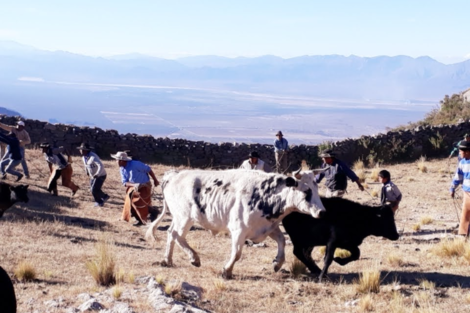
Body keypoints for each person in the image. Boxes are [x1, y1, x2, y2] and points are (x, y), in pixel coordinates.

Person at [111, 151, 159, 226]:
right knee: (129, 203)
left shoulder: (136, 164)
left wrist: (155, 180)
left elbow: (148, 169)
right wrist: (134, 185)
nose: (116, 161)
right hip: (133, 186)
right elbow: (124, 182)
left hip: (144, 185)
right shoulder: (122, 169)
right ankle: (141, 218)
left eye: (116, 160)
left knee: (140, 203)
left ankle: (150, 214)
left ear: (121, 161)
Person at [77, 143, 109, 207]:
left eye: (83, 149)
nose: (81, 151)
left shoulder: (93, 156)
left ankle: (99, 201)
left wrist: (97, 174)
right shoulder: (83, 158)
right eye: (80, 149)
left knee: (93, 189)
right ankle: (104, 197)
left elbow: (100, 165)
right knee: (94, 188)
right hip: (92, 176)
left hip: (100, 175)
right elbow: (86, 166)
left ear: (87, 150)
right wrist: (87, 172)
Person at [450, 141, 470, 237]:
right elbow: (458, 177)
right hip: (466, 192)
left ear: (467, 152)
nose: (459, 153)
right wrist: (452, 188)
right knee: (465, 213)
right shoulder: (462, 163)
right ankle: (464, 234)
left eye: (460, 151)